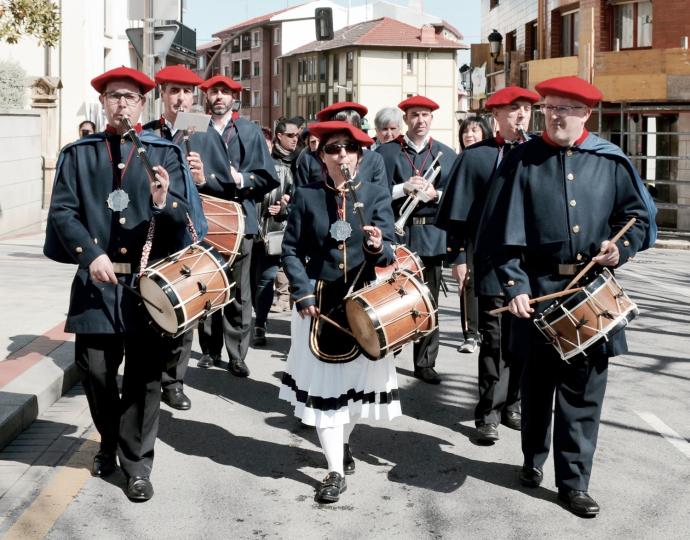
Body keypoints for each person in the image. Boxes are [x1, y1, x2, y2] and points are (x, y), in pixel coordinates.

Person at [479, 76, 654, 516]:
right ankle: (532, 458)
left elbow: (637, 219)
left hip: (593, 294)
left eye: (566, 109)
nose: (556, 116)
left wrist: (621, 248)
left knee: (583, 394)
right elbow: (498, 236)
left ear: (586, 115)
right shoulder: (521, 161)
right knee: (537, 390)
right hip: (537, 292)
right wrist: (514, 287)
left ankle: (574, 483)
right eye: (550, 108)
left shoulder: (610, 161)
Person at [43, 66, 204, 501]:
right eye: (114, 97)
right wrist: (90, 254)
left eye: (130, 98)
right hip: (96, 283)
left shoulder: (162, 153)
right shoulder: (79, 153)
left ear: (142, 105)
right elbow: (62, 212)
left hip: (146, 288)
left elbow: (184, 221)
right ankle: (109, 440)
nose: (121, 105)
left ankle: (136, 464)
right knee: (95, 373)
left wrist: (162, 200)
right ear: (103, 103)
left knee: (145, 379)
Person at [279, 120, 400, 504]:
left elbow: (391, 251)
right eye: (332, 149)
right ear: (321, 157)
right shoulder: (307, 195)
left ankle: (342, 445)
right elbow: (291, 250)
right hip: (320, 301)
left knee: (356, 391)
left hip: (365, 303)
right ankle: (333, 469)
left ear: (361, 155)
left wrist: (378, 246)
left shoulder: (376, 194)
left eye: (349, 148)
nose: (341, 155)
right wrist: (301, 294)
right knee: (327, 391)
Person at [437, 87, 539, 443]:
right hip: (492, 260)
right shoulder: (477, 157)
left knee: (523, 339)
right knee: (494, 340)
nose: (521, 115)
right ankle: (489, 413)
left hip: (532, 264)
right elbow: (458, 218)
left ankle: (513, 404)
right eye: (513, 110)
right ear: (495, 115)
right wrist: (460, 258)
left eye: (526, 109)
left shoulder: (540, 153)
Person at [194, 75, 279, 375]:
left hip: (241, 218)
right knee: (207, 285)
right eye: (213, 91)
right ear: (206, 97)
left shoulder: (250, 131)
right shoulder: (194, 127)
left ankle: (237, 354)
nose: (219, 97)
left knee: (240, 291)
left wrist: (239, 178)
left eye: (224, 92)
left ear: (234, 97)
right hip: (205, 218)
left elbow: (268, 177)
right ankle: (208, 349)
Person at [376, 95, 457, 384]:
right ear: (405, 119)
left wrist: (437, 195)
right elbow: (375, 193)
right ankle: (388, 353)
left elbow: (458, 197)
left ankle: (425, 362)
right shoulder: (386, 153)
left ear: (432, 119)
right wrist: (403, 188)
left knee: (429, 300)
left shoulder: (447, 155)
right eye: (414, 115)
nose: (420, 121)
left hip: (431, 233)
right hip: (399, 233)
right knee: (393, 297)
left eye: (425, 115)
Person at [142, 64, 205, 411]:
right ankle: (151, 372)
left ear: (193, 97)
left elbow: (225, 185)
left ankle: (174, 381)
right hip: (153, 231)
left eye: (186, 92)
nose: (180, 99)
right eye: (173, 91)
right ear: (162, 95)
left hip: (188, 233)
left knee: (185, 310)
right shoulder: (148, 132)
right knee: (154, 307)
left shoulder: (203, 133)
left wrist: (204, 176)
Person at [252, 119, 298, 346]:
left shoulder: (284, 169)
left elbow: (296, 197)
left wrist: (283, 207)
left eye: (266, 142)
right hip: (249, 232)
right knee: (251, 282)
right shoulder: (246, 169)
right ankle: (255, 315)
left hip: (273, 231)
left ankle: (260, 323)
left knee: (267, 278)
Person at [455, 116, 493, 355]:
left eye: (475, 131)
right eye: (466, 131)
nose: (469, 135)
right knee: (467, 281)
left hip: (490, 231)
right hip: (467, 232)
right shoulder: (460, 160)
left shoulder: (495, 158)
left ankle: (487, 330)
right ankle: (470, 333)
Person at [294, 102, 388, 187]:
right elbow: (300, 195)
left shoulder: (374, 159)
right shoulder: (309, 160)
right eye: (339, 130)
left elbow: (380, 197)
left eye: (351, 129)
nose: (343, 154)